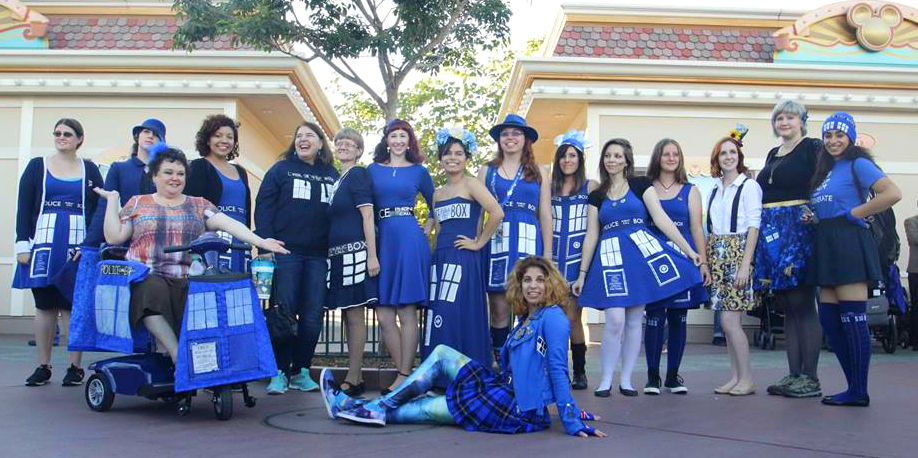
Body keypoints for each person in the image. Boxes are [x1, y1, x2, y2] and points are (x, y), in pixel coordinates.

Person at [324, 256, 606, 438]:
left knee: (426, 408)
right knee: (441, 353)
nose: (533, 286)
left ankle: (355, 407)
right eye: (527, 280)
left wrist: (571, 417)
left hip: (516, 407)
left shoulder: (553, 318)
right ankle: (364, 407)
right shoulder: (526, 318)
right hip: (501, 388)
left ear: (550, 284)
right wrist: (574, 408)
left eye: (540, 280)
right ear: (519, 286)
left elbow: (558, 368)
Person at [95, 145, 287, 366]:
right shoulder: (138, 202)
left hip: (188, 278)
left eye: (180, 173)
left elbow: (230, 224)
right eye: (168, 172)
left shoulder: (199, 205)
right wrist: (112, 201)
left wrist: (261, 242)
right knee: (152, 288)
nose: (175, 178)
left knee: (215, 295)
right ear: (154, 175)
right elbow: (114, 237)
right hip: (148, 276)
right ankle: (177, 353)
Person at [572, 138, 702, 398]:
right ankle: (606, 379)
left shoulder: (642, 184)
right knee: (615, 319)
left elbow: (661, 218)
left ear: (626, 161)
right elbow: (591, 235)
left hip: (641, 255)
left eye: (618, 156)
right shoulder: (596, 196)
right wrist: (582, 274)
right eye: (608, 155)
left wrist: (689, 251)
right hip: (610, 258)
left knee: (633, 321)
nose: (612, 160)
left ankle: (627, 379)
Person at [805, 112, 901, 407]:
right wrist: (815, 217)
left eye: (839, 135)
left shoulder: (859, 163)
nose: (833, 141)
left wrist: (854, 213)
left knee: (852, 318)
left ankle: (859, 390)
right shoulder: (825, 170)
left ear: (850, 137)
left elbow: (892, 193)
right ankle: (853, 387)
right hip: (826, 241)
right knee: (829, 319)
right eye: (828, 135)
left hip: (849, 242)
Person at [15, 118, 104, 387]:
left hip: (77, 246)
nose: (61, 137)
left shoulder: (90, 169)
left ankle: (75, 367)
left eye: (67, 133)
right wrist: (22, 243)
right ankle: (43, 366)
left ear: (80, 139)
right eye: (57, 133)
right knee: (44, 304)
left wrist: (91, 245)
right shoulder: (37, 166)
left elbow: (99, 210)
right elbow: (23, 206)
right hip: (44, 243)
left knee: (71, 305)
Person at [255, 122, 339, 394]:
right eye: (299, 135)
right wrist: (264, 243)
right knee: (283, 314)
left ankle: (301, 370)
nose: (303, 139)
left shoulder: (331, 174)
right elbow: (264, 206)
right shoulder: (281, 169)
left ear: (320, 143)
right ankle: (279, 371)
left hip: (320, 255)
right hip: (286, 252)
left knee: (313, 316)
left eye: (309, 135)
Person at [755, 100, 824, 398]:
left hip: (798, 229)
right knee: (786, 304)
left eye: (790, 117)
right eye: (779, 118)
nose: (784, 122)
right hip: (773, 232)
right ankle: (794, 373)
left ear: (802, 121)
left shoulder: (812, 147)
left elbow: (824, 183)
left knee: (802, 302)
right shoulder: (773, 154)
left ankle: (811, 377)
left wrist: (817, 213)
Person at [422, 127, 503, 367]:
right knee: (440, 314)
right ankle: (439, 371)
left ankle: (467, 371)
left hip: (464, 258)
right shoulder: (437, 194)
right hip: (442, 259)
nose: (453, 158)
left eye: (459, 153)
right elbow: (438, 228)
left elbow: (497, 213)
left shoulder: (471, 184)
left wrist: (479, 243)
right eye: (448, 153)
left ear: (467, 158)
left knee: (458, 313)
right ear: (441, 157)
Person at [367, 119, 435, 392]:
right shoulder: (372, 170)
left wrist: (427, 228)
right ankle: (407, 375)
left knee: (407, 312)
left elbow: (435, 204)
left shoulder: (419, 171)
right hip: (382, 241)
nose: (397, 141)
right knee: (384, 316)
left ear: (409, 142)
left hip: (409, 240)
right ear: (386, 140)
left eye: (402, 136)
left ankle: (404, 375)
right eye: (393, 136)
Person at [478, 114, 553, 361]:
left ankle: (525, 363)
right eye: (505, 133)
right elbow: (479, 214)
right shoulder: (487, 170)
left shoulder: (540, 172)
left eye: (516, 133)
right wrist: (477, 244)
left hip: (529, 243)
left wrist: (547, 255)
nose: (510, 138)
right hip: (497, 243)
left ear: (525, 139)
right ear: (499, 139)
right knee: (498, 308)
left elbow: (545, 214)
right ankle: (501, 362)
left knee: (530, 306)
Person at [643, 138, 711, 395]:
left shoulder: (690, 190)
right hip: (654, 261)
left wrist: (702, 262)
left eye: (675, 154)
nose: (671, 158)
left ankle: (673, 376)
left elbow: (697, 228)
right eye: (666, 154)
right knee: (654, 317)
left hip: (684, 259)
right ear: (657, 157)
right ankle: (652, 377)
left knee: (678, 318)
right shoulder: (646, 188)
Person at [706, 127, 762, 397]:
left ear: (739, 157)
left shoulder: (749, 186)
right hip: (717, 253)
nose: (728, 157)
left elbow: (754, 226)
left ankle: (747, 379)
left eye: (732, 152)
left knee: (730, 322)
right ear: (716, 159)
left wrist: (745, 264)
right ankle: (735, 377)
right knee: (727, 325)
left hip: (738, 252)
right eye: (723, 153)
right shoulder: (715, 189)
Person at [325, 127, 379, 396]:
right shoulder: (339, 179)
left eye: (350, 143)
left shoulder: (358, 175)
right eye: (339, 142)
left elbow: (367, 216)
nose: (343, 146)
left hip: (356, 254)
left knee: (356, 316)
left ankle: (354, 378)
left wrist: (372, 255)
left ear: (359, 151)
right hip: (337, 255)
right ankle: (353, 375)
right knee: (347, 315)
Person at [549, 130, 597, 389]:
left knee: (572, 318)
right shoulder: (549, 187)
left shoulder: (591, 186)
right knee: (552, 320)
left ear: (580, 159)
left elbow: (594, 227)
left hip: (578, 261)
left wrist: (585, 271)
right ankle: (557, 371)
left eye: (572, 156)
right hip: (552, 261)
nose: (567, 160)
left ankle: (579, 371)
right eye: (563, 156)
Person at [186, 114, 252, 273]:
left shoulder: (241, 172)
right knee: (216, 279)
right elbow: (192, 210)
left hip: (240, 237)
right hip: (213, 239)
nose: (224, 140)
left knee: (240, 282)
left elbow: (247, 210)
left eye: (230, 137)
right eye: (218, 135)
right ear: (207, 140)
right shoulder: (199, 166)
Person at [82, 118, 162, 248]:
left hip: (159, 239)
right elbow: (104, 206)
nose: (150, 136)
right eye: (146, 131)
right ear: (137, 136)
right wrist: (90, 245)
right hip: (126, 239)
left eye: (156, 134)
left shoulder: (165, 171)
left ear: (161, 142)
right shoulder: (119, 168)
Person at [906, 211, 918, 350]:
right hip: (916, 271)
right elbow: (915, 239)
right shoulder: (911, 221)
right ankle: (915, 340)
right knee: (916, 305)